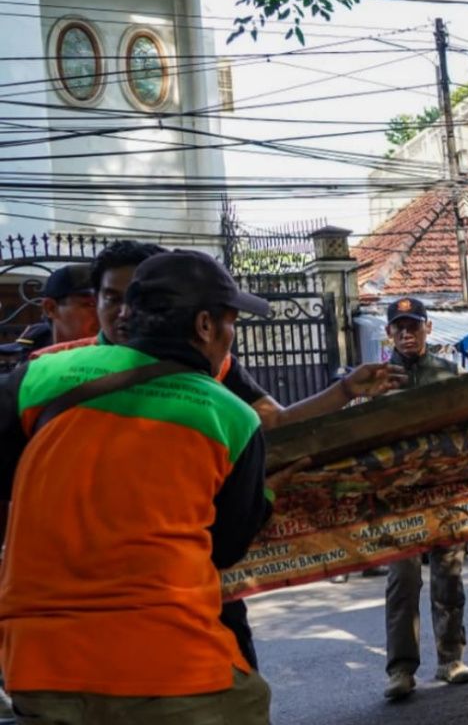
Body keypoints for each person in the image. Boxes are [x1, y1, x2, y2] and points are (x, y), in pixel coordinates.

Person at [26, 239, 403, 672]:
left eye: (142, 296)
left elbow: (271, 425)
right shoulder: (51, 372)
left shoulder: (220, 379)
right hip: (74, 610)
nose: (128, 311)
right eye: (114, 298)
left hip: (194, 590)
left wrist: (344, 391)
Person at [0, 250, 277, 724]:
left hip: (39, 667)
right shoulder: (230, 415)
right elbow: (227, 548)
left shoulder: (38, 377)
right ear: (206, 327)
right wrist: (265, 497)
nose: (230, 338)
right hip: (174, 666)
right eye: (231, 324)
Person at [380, 297, 468, 700]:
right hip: (399, 498)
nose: (407, 332)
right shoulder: (377, 380)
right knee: (402, 582)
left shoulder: (449, 374)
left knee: (448, 578)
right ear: (389, 333)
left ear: (428, 329)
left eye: (414, 325)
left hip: (444, 490)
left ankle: (450, 659)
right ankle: (401, 669)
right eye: (399, 326)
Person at [39, 263, 97, 345]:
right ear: (50, 308)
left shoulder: (118, 354)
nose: (103, 314)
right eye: (91, 305)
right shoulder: (29, 356)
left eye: (107, 304)